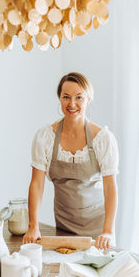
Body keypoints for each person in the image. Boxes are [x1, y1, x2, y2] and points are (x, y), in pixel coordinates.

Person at [23, 72, 119, 250]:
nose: (72, 104)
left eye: (79, 97)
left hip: (98, 232)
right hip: (63, 227)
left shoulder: (103, 139)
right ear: (59, 98)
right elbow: (37, 184)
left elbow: (110, 187)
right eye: (66, 97)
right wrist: (33, 226)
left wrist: (108, 231)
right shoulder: (45, 137)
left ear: (88, 99)